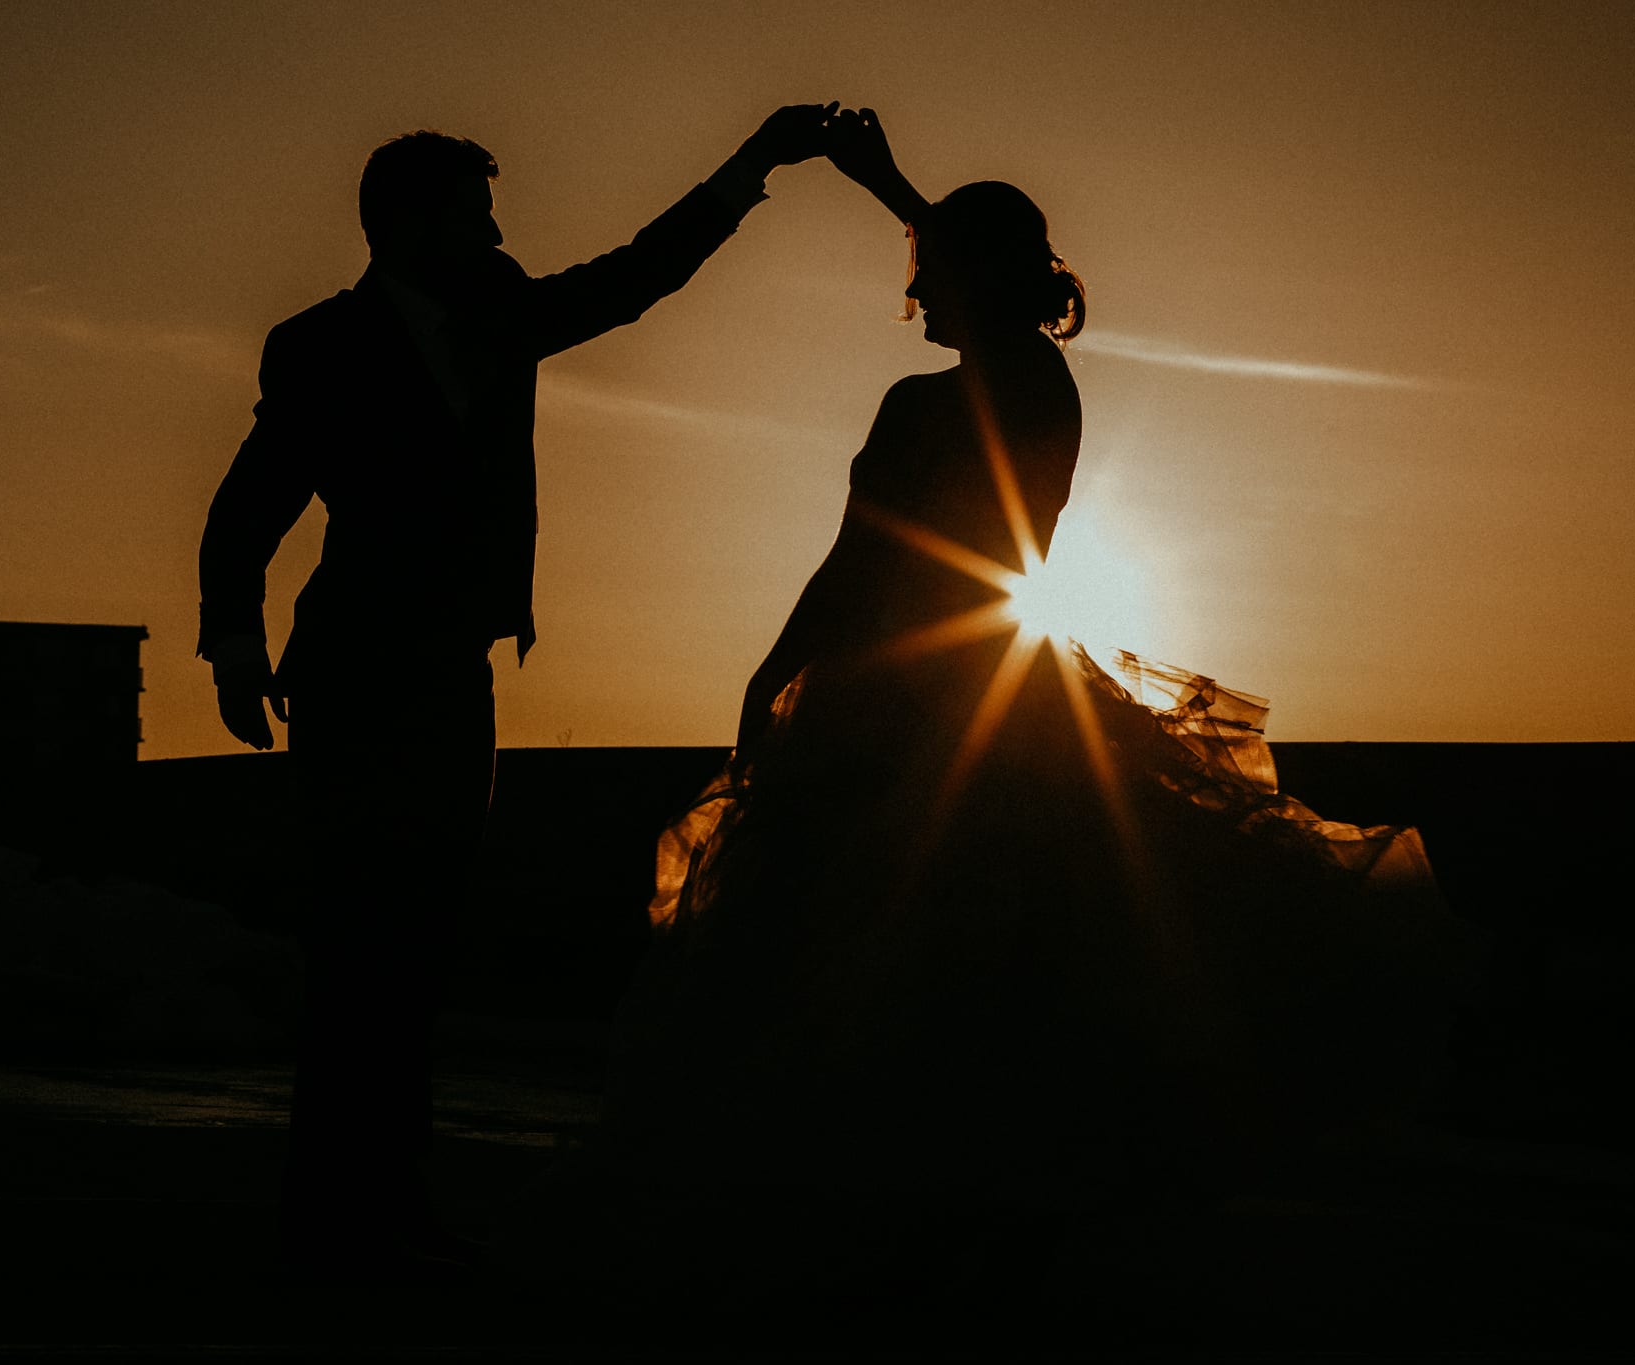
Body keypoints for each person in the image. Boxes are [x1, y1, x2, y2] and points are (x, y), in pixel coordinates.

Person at [502, 111, 1481, 1315]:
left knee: (880, 951)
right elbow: (972, 273)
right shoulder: (1024, 377)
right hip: (982, 679)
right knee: (990, 958)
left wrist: (775, 672)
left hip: (904, 691)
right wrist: (890, 188)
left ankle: (894, 1218)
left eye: (927, 277)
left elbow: (858, 560)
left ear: (966, 280)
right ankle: (973, 1215)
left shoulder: (949, 399)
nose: (914, 297)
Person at [195, 104, 841, 1279]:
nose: (498, 235)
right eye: (476, 216)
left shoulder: (502, 318)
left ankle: (384, 1211)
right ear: (408, 229)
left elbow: (640, 276)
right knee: (354, 950)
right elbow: (254, 501)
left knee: (420, 945)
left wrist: (751, 163)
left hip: (453, 673)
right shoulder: (319, 345)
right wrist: (234, 645)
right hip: (351, 673)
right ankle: (331, 1219)